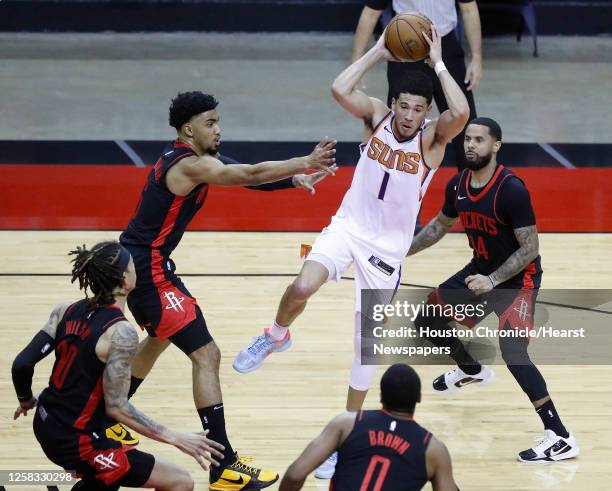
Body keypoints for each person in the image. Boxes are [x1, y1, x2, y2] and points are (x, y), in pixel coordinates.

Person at [234, 25, 469, 477]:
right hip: (348, 228)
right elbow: (339, 88)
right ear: (395, 102)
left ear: (425, 112)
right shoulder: (376, 116)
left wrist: (439, 64)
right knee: (302, 285)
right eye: (405, 106)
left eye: (419, 109)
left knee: (366, 348)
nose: (409, 115)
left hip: (386, 251)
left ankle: (349, 435)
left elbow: (459, 109)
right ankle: (276, 334)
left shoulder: (432, 140)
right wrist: (379, 51)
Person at [118, 91, 337, 490]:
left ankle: (107, 416)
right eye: (210, 123)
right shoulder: (189, 166)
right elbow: (250, 174)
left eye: (218, 121)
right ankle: (224, 466)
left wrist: (294, 179)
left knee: (160, 338)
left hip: (147, 265)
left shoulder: (191, 160)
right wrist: (305, 160)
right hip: (148, 271)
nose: (218, 129)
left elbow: (244, 177)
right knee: (207, 354)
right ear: (188, 130)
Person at [407, 117, 579, 463]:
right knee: (427, 318)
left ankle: (560, 436)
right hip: (481, 270)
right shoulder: (458, 185)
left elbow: (530, 247)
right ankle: (470, 369)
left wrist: (493, 281)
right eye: (467, 139)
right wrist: (402, 251)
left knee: (514, 353)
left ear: (496, 145)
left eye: (479, 140)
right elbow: (440, 225)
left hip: (517, 279)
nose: (471, 145)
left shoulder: (511, 189)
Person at [11, 241, 224, 490]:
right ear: (125, 280)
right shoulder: (120, 332)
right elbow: (117, 407)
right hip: (78, 441)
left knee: (108, 475)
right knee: (181, 481)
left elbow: (22, 364)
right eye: (134, 266)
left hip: (46, 422)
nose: (138, 270)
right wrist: (175, 437)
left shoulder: (65, 311)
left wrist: (26, 399)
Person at [278, 364, 459, 491]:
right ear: (418, 398)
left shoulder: (347, 424)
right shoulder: (433, 449)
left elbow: (295, 475)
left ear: (381, 396)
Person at [352, 0, 481, 170]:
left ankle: (472, 188)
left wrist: (477, 57)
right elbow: (370, 13)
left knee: (465, 124)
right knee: (398, 123)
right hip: (405, 48)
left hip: (445, 46)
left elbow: (469, 9)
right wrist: (357, 61)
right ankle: (389, 182)